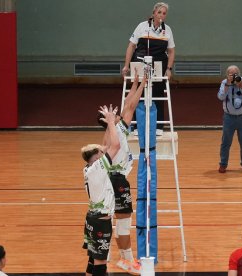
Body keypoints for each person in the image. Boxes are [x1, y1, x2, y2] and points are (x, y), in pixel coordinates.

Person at [97, 73, 146, 274]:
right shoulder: (113, 131)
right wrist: (145, 82)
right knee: (124, 222)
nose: (116, 113)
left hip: (112, 180)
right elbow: (130, 107)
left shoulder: (113, 130)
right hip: (117, 180)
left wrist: (135, 82)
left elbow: (127, 105)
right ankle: (127, 260)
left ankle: (123, 258)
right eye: (110, 113)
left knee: (120, 221)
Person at [122, 2, 175, 136]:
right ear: (153, 13)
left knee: (157, 95)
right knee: (138, 95)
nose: (161, 15)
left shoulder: (167, 29)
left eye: (164, 13)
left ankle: (158, 127)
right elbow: (131, 46)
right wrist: (126, 65)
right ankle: (134, 126)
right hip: (140, 63)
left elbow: (171, 51)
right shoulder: (142, 26)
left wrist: (169, 68)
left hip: (159, 66)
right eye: (159, 12)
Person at [81, 105, 121, 276]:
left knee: (92, 258)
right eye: (100, 151)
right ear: (97, 156)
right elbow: (115, 145)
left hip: (92, 219)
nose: (103, 150)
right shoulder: (98, 168)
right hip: (100, 222)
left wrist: (108, 124)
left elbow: (106, 145)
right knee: (100, 263)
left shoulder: (89, 167)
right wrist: (112, 122)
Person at [217, 65, 242, 173]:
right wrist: (227, 85)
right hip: (229, 118)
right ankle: (223, 164)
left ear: (239, 74)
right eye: (231, 74)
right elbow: (220, 97)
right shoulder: (224, 82)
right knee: (225, 142)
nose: (234, 77)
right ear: (227, 75)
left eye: (235, 74)